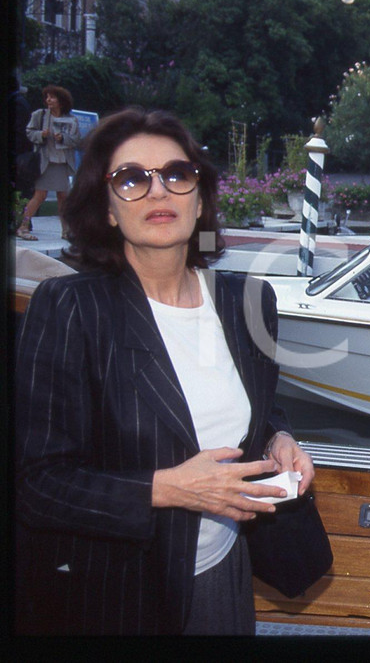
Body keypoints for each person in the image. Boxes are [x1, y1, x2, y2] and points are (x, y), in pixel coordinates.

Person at [15, 108, 316, 635]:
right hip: (117, 593)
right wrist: (166, 488)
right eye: (131, 179)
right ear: (107, 209)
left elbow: (256, 403)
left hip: (223, 573)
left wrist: (278, 437)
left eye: (176, 175)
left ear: (198, 199)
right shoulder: (69, 308)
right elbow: (35, 483)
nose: (158, 192)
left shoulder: (248, 300)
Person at [17, 84, 81, 240]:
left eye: (52, 97)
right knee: (40, 195)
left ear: (61, 100)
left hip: (62, 163)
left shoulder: (71, 119)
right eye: (47, 97)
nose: (48, 100)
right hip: (46, 162)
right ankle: (23, 227)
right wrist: (41, 135)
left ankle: (66, 231)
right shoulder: (40, 115)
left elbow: (76, 140)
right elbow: (29, 132)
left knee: (63, 197)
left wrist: (63, 138)